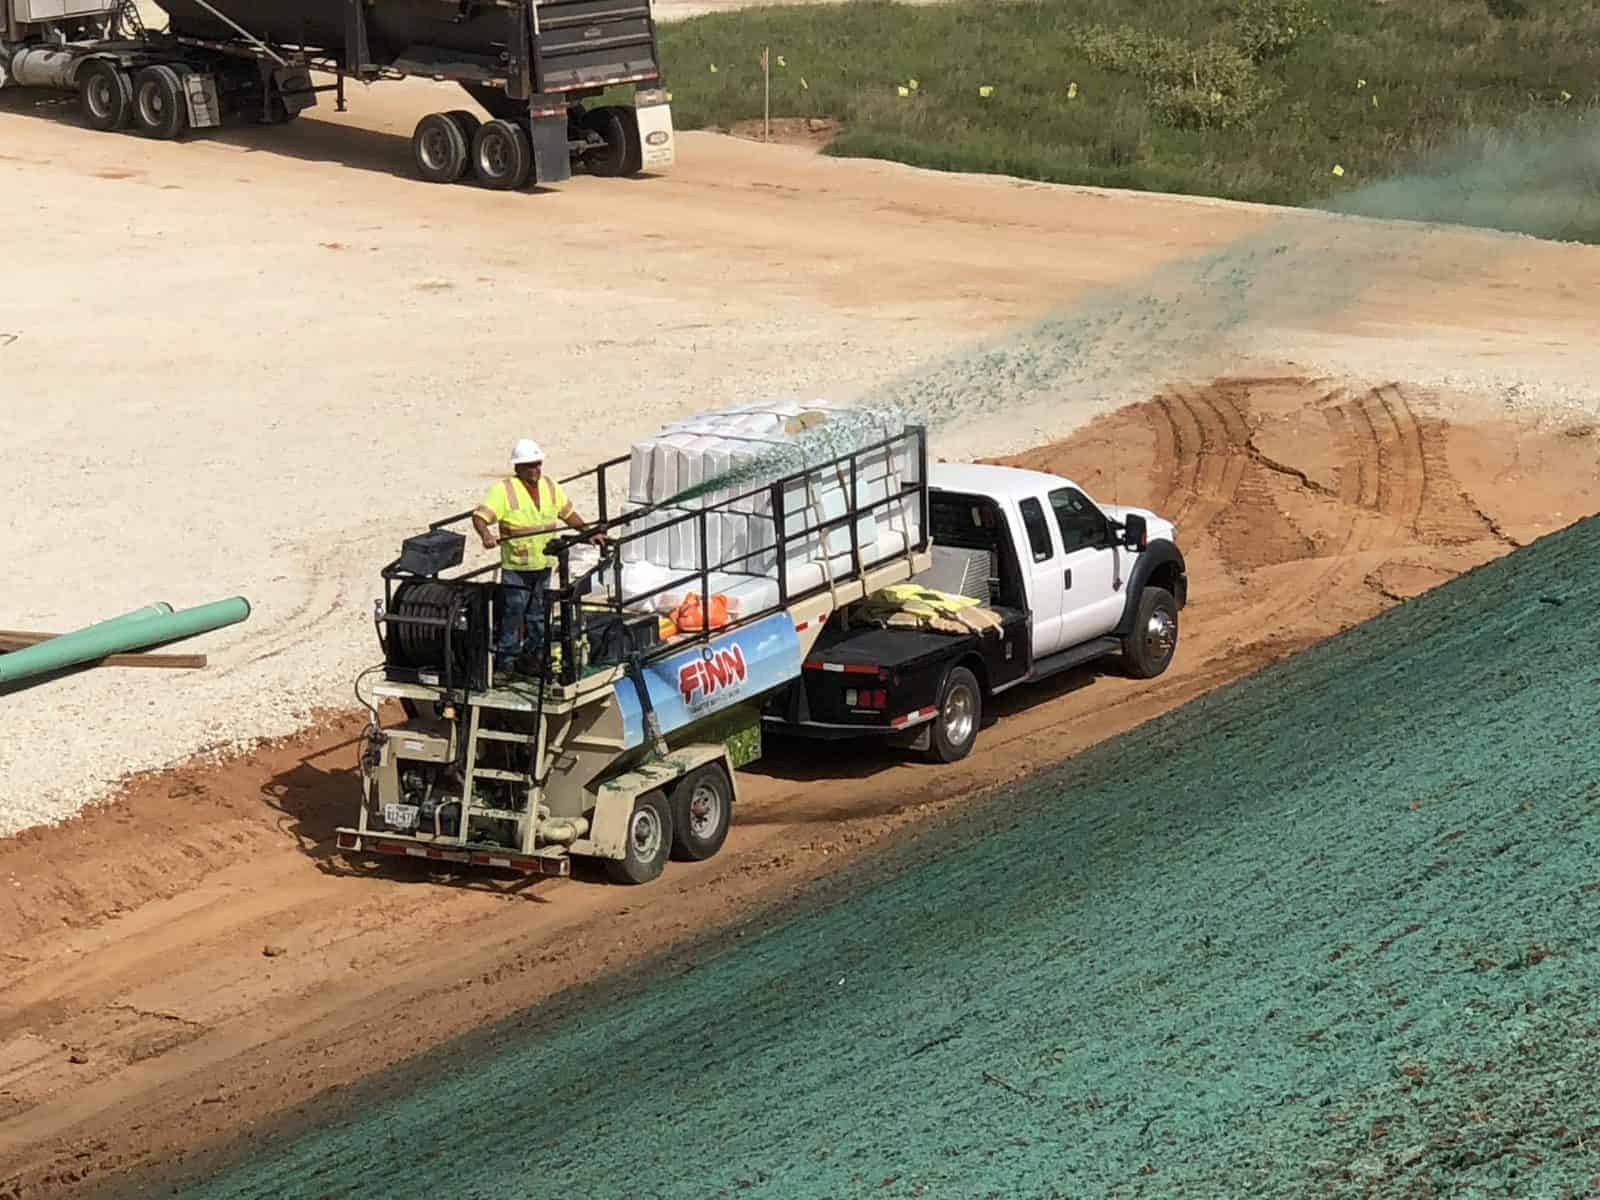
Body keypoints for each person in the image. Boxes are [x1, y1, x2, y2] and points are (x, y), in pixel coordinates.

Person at [472, 439, 604, 678]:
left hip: (543, 565)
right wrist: (485, 534)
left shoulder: (550, 487)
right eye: (530, 465)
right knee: (514, 612)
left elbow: (568, 513)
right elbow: (480, 517)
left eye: (538, 464)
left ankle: (534, 657)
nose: (536, 470)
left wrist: (589, 532)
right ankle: (507, 662)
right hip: (517, 567)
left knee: (538, 614)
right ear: (518, 468)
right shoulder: (504, 491)